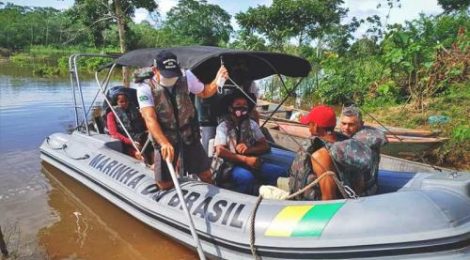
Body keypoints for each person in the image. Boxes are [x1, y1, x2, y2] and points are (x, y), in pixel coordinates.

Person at [136, 50, 228, 190]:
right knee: (164, 183)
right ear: (155, 70)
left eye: (173, 74)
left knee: (205, 174)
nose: (171, 79)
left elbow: (205, 92)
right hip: (165, 136)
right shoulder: (145, 87)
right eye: (167, 75)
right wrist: (164, 143)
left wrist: (218, 80)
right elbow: (149, 118)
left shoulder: (186, 76)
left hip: (188, 133)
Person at [213, 91, 287, 195]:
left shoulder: (252, 124)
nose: (242, 108)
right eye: (238, 105)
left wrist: (248, 149)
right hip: (231, 165)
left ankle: (273, 197)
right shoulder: (223, 126)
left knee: (279, 172)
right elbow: (220, 151)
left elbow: (264, 145)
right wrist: (246, 159)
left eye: (244, 105)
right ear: (230, 108)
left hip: (252, 162)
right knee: (246, 178)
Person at [197, 60, 260, 154]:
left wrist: (254, 129)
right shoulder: (210, 77)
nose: (239, 68)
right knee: (207, 151)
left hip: (239, 118)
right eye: (237, 66)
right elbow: (203, 94)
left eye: (242, 66)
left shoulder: (249, 83)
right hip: (209, 118)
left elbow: (253, 108)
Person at [287, 105, 348, 200]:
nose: (309, 128)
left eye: (309, 124)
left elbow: (329, 198)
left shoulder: (321, 156)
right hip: (298, 194)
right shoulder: (341, 143)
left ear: (315, 126)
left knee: (263, 189)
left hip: (308, 206)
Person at [338, 106, 387, 195]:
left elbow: (382, 138)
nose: (346, 128)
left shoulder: (366, 137)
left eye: (351, 124)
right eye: (343, 123)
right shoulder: (343, 135)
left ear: (361, 124)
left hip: (365, 192)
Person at [106, 91, 153, 164]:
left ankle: (157, 166)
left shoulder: (135, 111)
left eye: (126, 101)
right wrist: (131, 142)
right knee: (140, 154)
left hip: (140, 137)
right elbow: (114, 133)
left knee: (153, 147)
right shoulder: (111, 114)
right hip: (126, 142)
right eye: (121, 102)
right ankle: (146, 165)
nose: (124, 103)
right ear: (116, 102)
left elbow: (144, 125)